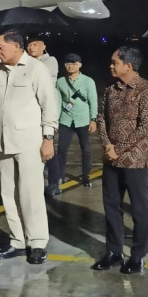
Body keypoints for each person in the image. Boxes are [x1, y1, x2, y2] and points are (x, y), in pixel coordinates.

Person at [0, 30, 58, 264]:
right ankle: (17, 241)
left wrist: (48, 139)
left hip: (30, 142)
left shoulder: (36, 69)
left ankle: (37, 243)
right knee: (8, 193)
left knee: (30, 193)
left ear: (16, 46)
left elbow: (49, 105)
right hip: (4, 141)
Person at [93, 46, 148, 274]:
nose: (111, 66)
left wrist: (118, 149)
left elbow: (145, 127)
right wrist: (107, 145)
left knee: (140, 210)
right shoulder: (111, 90)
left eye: (115, 62)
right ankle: (114, 252)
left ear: (128, 66)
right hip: (111, 159)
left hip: (135, 161)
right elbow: (101, 118)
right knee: (111, 207)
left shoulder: (146, 90)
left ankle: (138, 256)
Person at [47, 53, 98, 195]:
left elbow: (93, 101)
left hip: (83, 119)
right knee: (61, 150)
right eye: (68, 64)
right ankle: (60, 176)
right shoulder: (60, 82)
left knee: (86, 149)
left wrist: (93, 119)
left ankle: (86, 176)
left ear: (80, 65)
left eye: (74, 63)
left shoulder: (88, 81)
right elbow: (58, 101)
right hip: (65, 119)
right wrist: (54, 120)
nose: (71, 66)